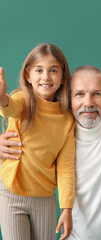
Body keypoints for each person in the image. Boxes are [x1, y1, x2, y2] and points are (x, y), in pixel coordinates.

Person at [1, 65, 101, 240]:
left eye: (97, 94)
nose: (88, 103)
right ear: (69, 98)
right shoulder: (57, 137)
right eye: (79, 94)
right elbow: (25, 156)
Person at [0, 43, 75, 240]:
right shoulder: (22, 100)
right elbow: (10, 107)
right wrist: (1, 98)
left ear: (63, 77)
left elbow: (66, 167)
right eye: (39, 70)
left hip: (44, 197)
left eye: (53, 71)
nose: (46, 77)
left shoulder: (67, 120)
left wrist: (66, 209)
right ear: (28, 76)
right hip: (10, 193)